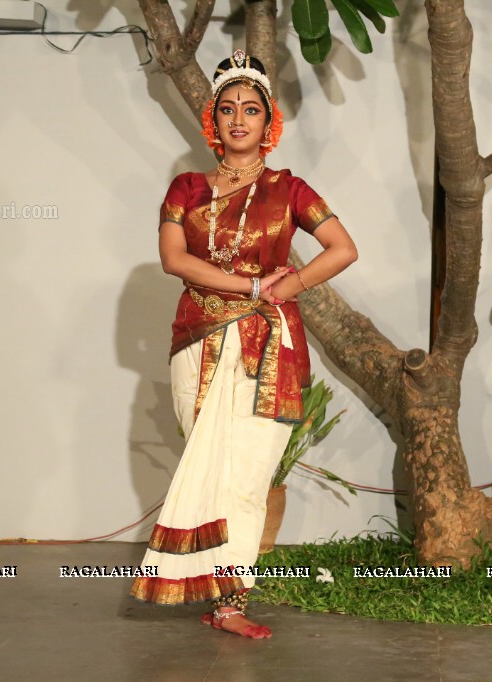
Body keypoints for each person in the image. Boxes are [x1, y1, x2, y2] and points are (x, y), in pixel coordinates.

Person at [130, 50, 357, 639]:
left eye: (250, 110)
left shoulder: (290, 189)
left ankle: (231, 602)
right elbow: (172, 259)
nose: (238, 119)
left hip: (269, 345)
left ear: (267, 124)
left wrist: (290, 286)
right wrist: (254, 284)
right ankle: (203, 585)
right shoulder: (186, 186)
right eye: (227, 109)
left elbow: (343, 247)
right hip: (198, 338)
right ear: (214, 122)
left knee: (250, 473)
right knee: (207, 460)